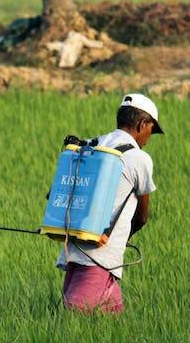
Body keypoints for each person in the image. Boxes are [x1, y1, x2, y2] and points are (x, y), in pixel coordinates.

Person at [56, 94, 162, 313]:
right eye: (151, 129)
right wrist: (122, 240)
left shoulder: (92, 145)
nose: (149, 138)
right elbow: (142, 217)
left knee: (110, 319)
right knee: (74, 315)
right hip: (101, 255)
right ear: (142, 124)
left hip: (75, 246)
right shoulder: (139, 158)